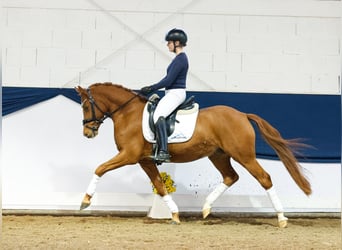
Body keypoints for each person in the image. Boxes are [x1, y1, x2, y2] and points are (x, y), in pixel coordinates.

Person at [141, 28, 189, 163]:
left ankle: (163, 151)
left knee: (158, 116)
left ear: (177, 43)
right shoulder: (178, 59)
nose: (168, 45)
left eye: (169, 42)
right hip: (171, 93)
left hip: (176, 93)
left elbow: (168, 80)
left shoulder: (181, 59)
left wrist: (152, 87)